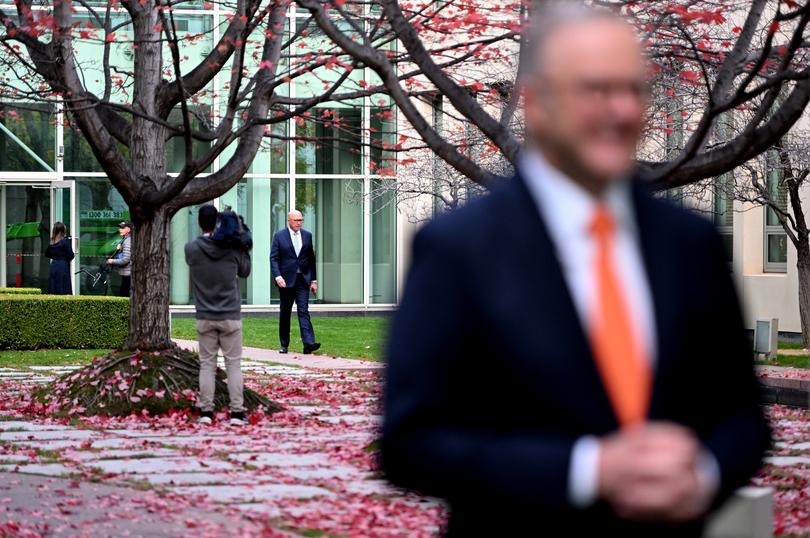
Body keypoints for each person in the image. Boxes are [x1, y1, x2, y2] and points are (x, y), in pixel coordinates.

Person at [381, 4, 770, 537]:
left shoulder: (690, 243)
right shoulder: (458, 249)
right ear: (538, 104)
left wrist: (702, 473)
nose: (620, 109)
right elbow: (411, 443)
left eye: (634, 89)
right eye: (595, 89)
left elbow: (742, 418)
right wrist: (588, 470)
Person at [185, 205, 251, 426]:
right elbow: (245, 271)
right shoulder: (231, 249)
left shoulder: (192, 249)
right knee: (233, 365)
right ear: (218, 223)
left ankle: (206, 411)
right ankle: (237, 413)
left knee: (207, 365)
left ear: (199, 223)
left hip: (205, 315)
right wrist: (241, 241)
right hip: (230, 315)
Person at [270, 210, 320, 354]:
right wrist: (278, 276)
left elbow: (311, 259)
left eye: (301, 220)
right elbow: (273, 258)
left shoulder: (307, 236)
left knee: (303, 310)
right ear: (289, 221)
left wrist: (314, 280)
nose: (299, 222)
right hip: (286, 281)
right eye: (296, 220)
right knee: (285, 312)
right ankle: (284, 344)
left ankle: (308, 343)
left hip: (303, 280)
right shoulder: (279, 236)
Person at [45, 222, 74, 295]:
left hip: (54, 265)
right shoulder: (65, 241)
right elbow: (71, 255)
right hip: (63, 265)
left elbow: (47, 254)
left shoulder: (52, 241)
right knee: (64, 286)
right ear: (62, 230)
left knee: (53, 286)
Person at [107, 221, 132, 297]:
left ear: (129, 229)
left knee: (124, 295)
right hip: (127, 273)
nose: (120, 229)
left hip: (128, 273)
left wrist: (111, 261)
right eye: (120, 227)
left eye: (123, 228)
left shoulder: (128, 241)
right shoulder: (126, 239)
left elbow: (125, 259)